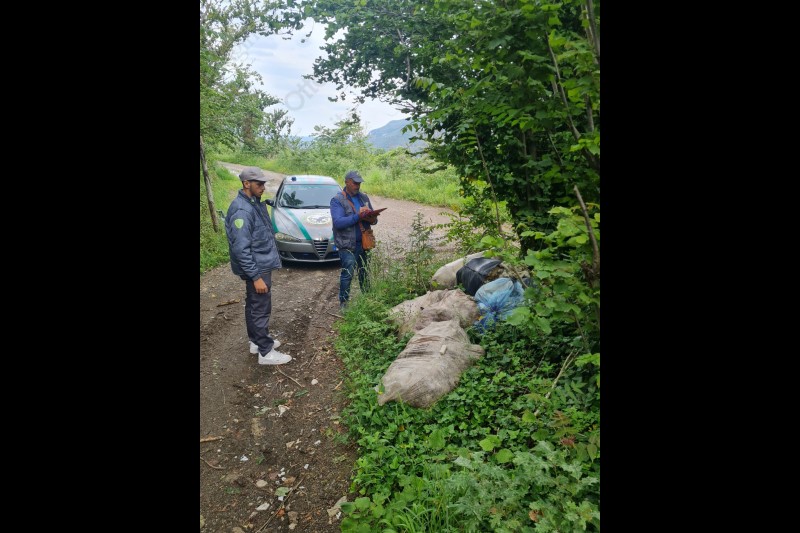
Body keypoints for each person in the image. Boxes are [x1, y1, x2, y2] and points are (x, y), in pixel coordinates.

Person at [225, 167, 292, 365]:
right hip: (257, 267)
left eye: (264, 183)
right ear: (246, 184)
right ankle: (266, 352)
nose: (263, 187)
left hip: (259, 264)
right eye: (259, 184)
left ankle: (256, 342)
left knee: (253, 305)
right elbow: (241, 249)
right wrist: (256, 277)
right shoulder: (242, 210)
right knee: (260, 308)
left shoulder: (252, 203)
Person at [330, 170, 379, 309]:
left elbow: (374, 220)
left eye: (359, 183)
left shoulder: (363, 197)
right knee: (347, 275)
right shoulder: (337, 200)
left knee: (364, 272)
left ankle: (368, 300)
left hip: (364, 243)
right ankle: (344, 304)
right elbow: (338, 223)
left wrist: (372, 218)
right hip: (347, 245)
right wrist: (359, 216)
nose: (358, 186)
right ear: (346, 182)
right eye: (355, 183)